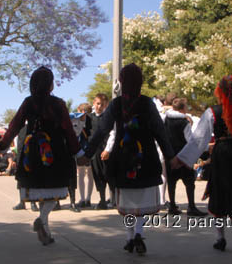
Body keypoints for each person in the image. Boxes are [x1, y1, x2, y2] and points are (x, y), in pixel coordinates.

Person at [79, 63, 175, 256]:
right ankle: (138, 233)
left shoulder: (116, 104)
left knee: (127, 199)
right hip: (145, 156)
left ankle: (130, 237)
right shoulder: (148, 103)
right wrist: (170, 156)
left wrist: (87, 154)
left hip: (122, 157)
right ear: (140, 82)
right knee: (141, 199)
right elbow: (160, 131)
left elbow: (101, 131)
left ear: (122, 82)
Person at [171, 75, 232, 252]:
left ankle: (220, 238)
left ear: (220, 91)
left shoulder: (212, 112)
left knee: (219, 192)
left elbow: (199, 140)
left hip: (222, 152)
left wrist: (182, 158)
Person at [0, 66, 79, 246]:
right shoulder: (58, 104)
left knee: (41, 191)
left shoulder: (28, 102)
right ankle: (42, 220)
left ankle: (46, 231)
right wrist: (76, 150)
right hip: (54, 150)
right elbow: (67, 128)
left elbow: (15, 124)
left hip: (33, 151)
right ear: (50, 85)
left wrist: (3, 144)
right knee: (53, 191)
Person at [164, 97, 206, 216]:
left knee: (171, 182)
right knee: (189, 183)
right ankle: (191, 206)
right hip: (183, 156)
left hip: (170, 155)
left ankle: (172, 205)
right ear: (182, 109)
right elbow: (189, 140)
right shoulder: (184, 122)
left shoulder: (166, 119)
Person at [76, 103, 94, 208]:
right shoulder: (88, 120)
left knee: (83, 175)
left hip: (83, 149)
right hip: (89, 149)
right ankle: (86, 199)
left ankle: (84, 199)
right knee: (88, 175)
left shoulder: (81, 121)